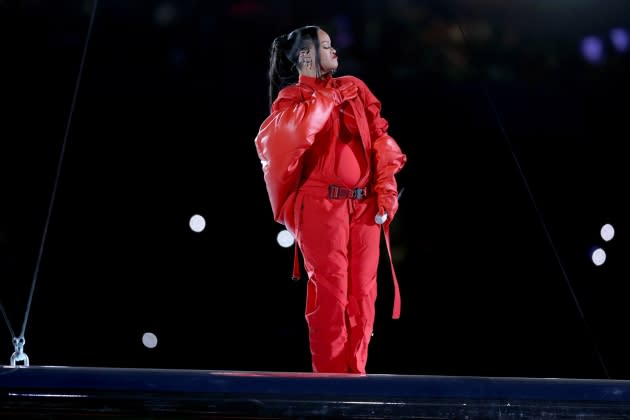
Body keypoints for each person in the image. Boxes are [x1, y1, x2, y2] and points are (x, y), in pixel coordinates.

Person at [254, 25, 407, 374]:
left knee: (364, 296)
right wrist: (325, 95)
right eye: (325, 46)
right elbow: (295, 135)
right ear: (306, 56)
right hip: (321, 206)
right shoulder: (293, 100)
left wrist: (385, 189)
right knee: (331, 295)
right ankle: (331, 381)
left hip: (364, 205)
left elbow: (381, 139)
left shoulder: (354, 89)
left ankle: (356, 377)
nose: (334, 50)